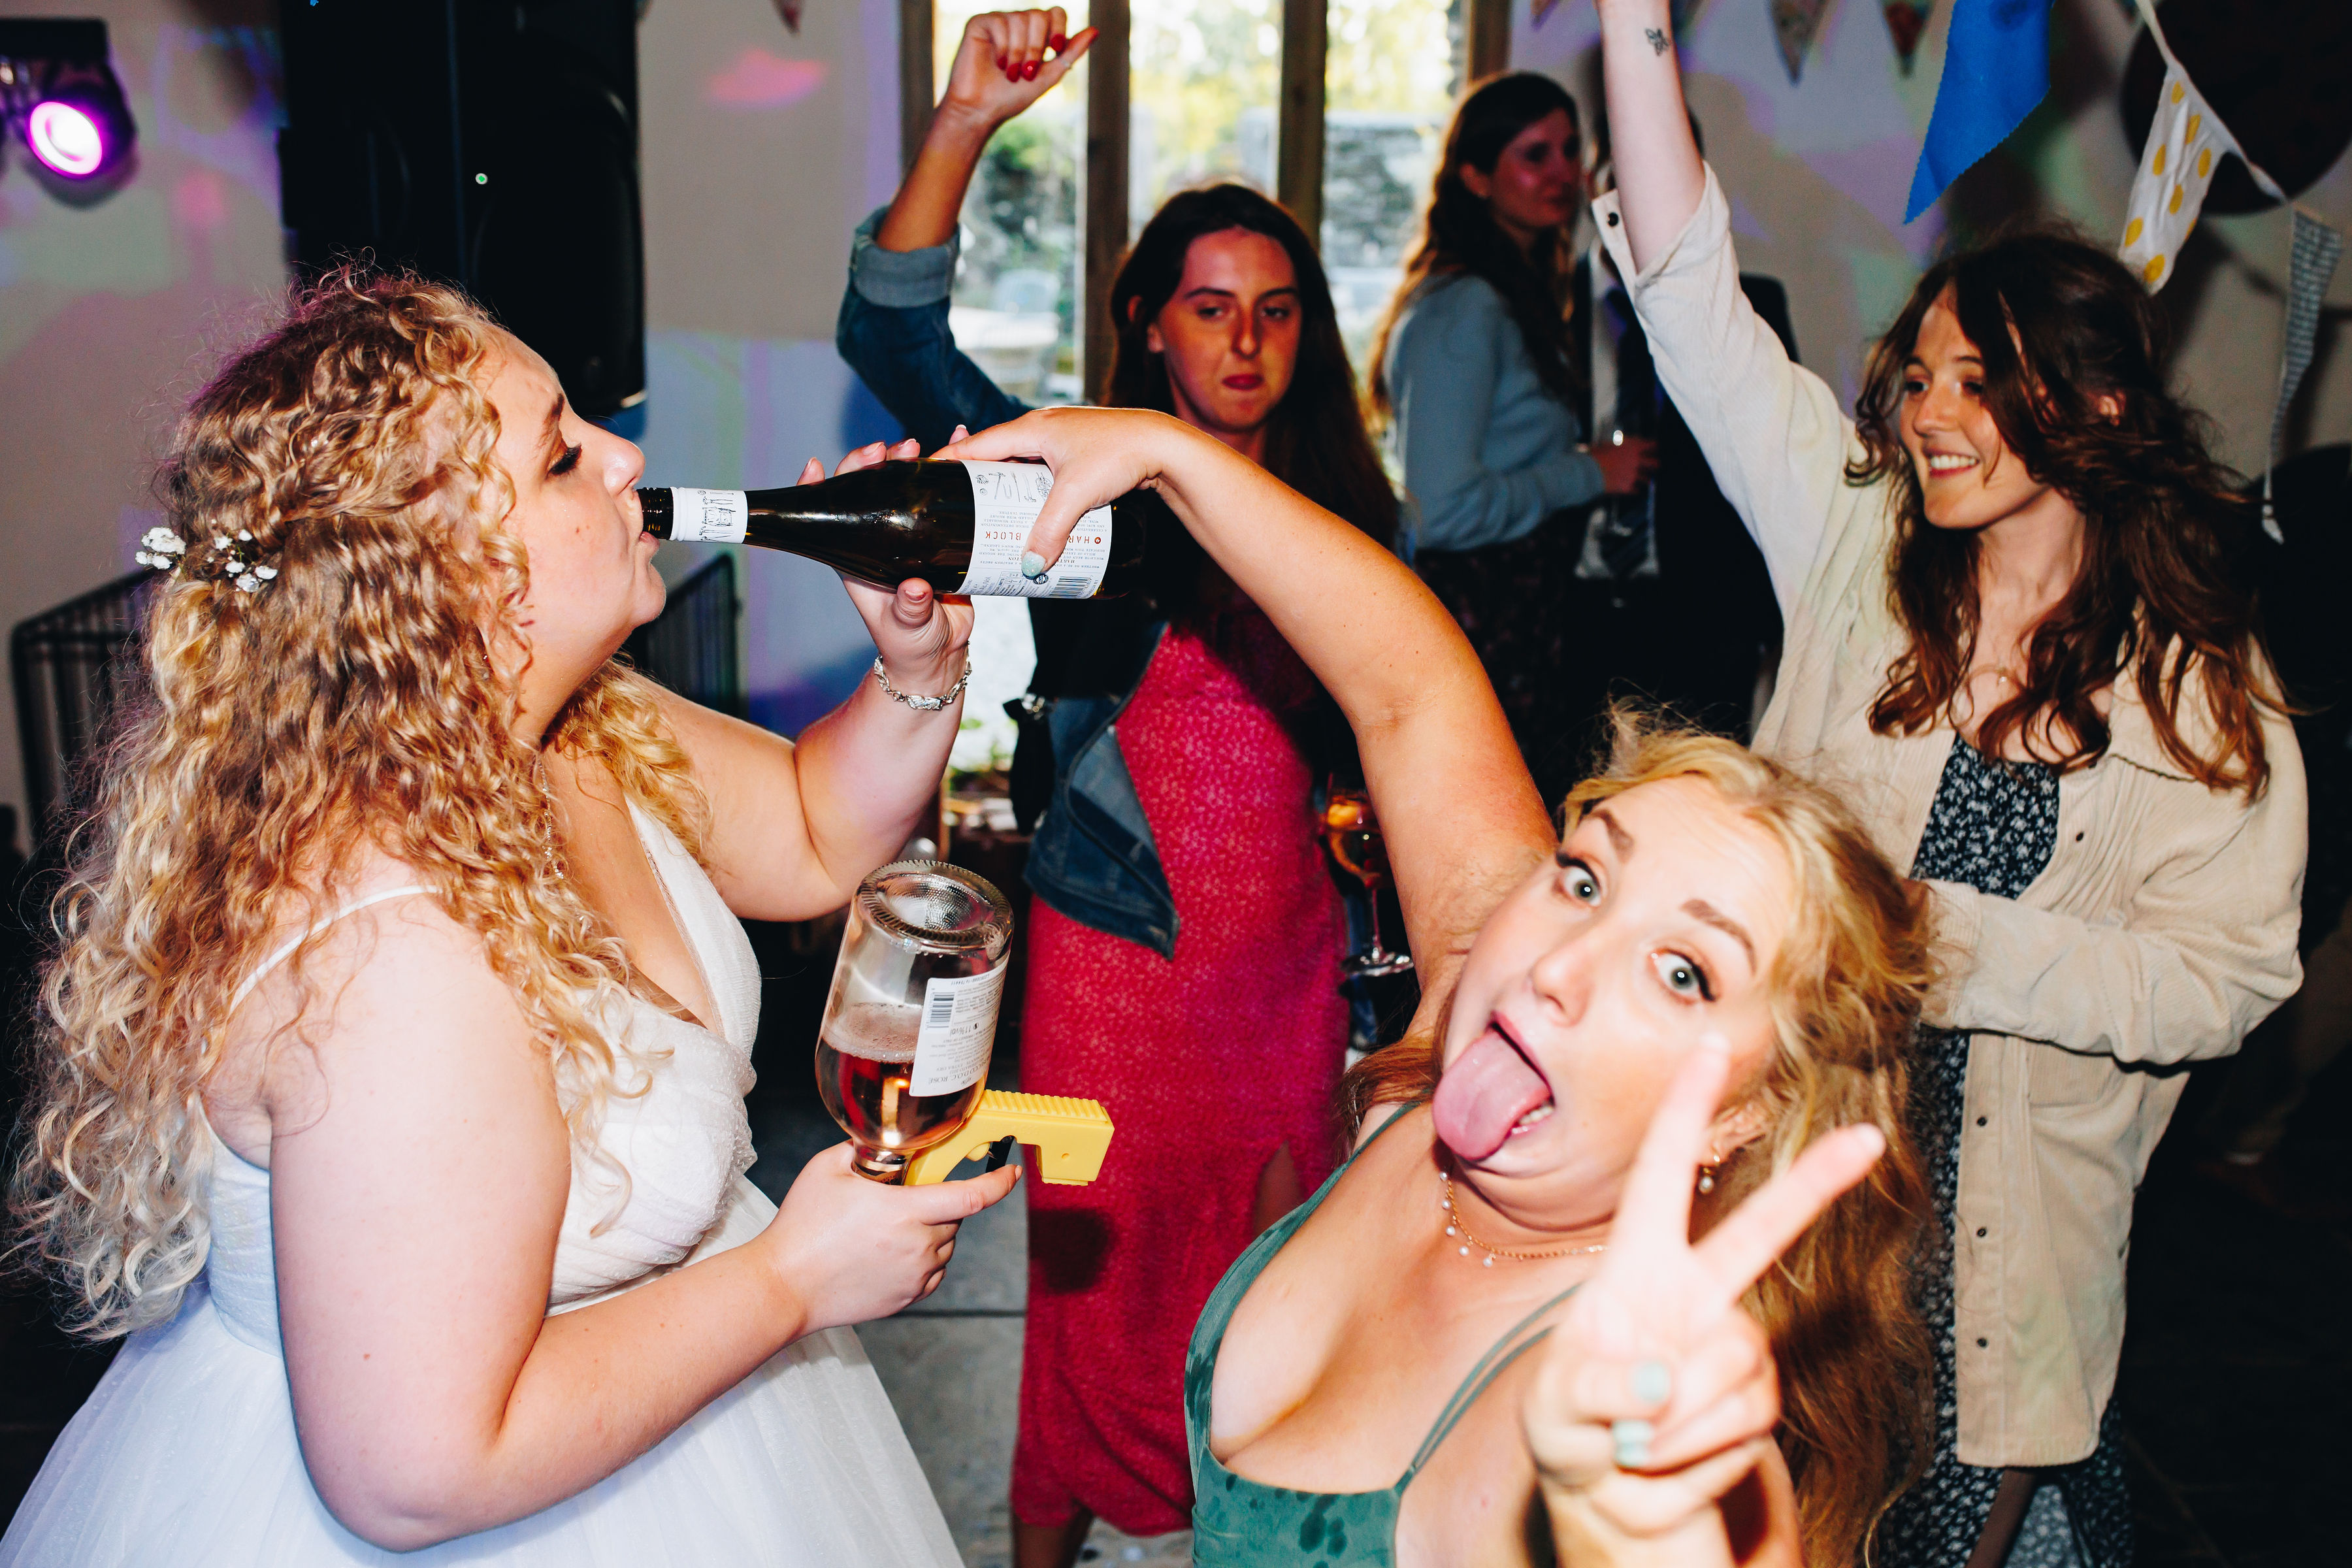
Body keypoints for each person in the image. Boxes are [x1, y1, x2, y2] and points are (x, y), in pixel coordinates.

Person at [1, 270, 1019, 1566]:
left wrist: (919, 671)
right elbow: (418, 1475)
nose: (626, 457)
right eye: (560, 456)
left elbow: (817, 831)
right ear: (445, 581)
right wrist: (791, 1282)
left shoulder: (566, 728)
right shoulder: (392, 951)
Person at [951, 404, 1939, 1567]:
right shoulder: (1450, 1062)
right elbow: (1409, 686)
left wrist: (1642, 1509)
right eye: (1584, 877)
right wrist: (1170, 456)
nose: (1561, 964)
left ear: (1746, 1109)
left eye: (1684, 973)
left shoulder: (1615, 1401)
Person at [1589, 1, 2308, 1561]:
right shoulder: (1855, 552)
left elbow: (2230, 978)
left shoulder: (2199, 696)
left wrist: (1941, 940)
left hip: (2007, 1277)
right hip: (1782, 1212)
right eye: (1915, 377)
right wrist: (1633, 30)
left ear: (2096, 402)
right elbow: (1691, 302)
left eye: (1976, 380)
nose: (1927, 414)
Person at [835, 14, 1400, 1563]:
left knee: (1269, 1289)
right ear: (1148, 323)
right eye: (1208, 307)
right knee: (1091, 1294)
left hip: (1281, 975)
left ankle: (1237, 1531)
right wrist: (962, 123)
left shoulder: (1349, 523)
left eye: (1276, 311)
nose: (1243, 339)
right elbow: (893, 341)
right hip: (1114, 967)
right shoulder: (1088, 501)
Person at [1369, 73, 1658, 804]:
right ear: (1475, 175)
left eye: (1570, 150)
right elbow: (1442, 508)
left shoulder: (1520, 287)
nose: (1563, 173)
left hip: (1518, 619)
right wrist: (1589, 473)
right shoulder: (1466, 304)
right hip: (1477, 615)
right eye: (1535, 155)